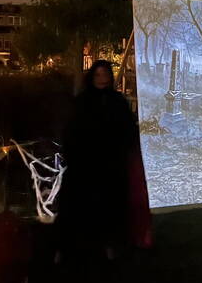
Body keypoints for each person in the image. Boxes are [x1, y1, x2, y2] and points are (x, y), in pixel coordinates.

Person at [59, 60, 152, 262]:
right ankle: (73, 246)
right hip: (85, 164)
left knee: (110, 206)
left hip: (111, 164)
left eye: (105, 75)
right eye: (98, 75)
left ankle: (110, 244)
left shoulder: (117, 101)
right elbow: (72, 131)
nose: (102, 79)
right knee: (81, 204)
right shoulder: (82, 102)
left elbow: (127, 129)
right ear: (92, 77)